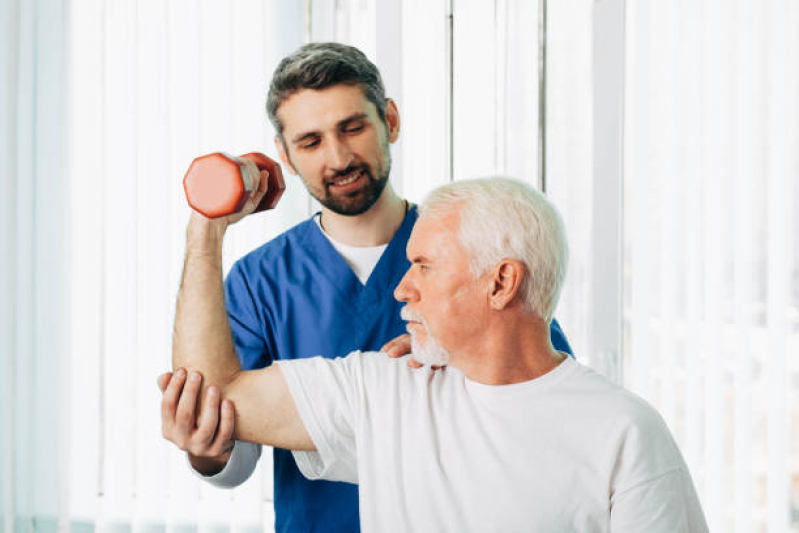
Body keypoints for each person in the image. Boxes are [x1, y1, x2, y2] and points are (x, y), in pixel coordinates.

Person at [160, 42, 572, 533]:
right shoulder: (259, 281)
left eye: (352, 128)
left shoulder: (474, 252)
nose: (338, 158)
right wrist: (206, 228)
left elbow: (548, 406)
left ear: (390, 121)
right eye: (310, 142)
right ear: (284, 156)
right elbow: (231, 443)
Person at [162, 177, 708, 532]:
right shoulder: (386, 390)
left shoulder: (624, 432)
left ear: (500, 283)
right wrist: (205, 231)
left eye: (423, 265)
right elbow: (213, 394)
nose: (402, 289)